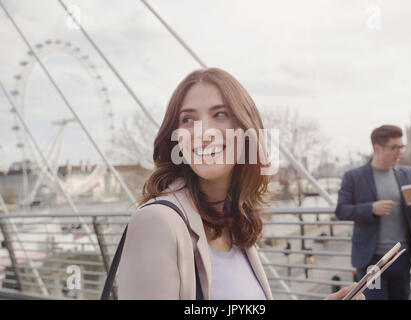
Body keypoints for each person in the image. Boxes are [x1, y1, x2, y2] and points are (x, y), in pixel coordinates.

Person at [117, 67, 364, 300]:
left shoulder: (234, 222)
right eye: (188, 119)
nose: (204, 132)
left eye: (220, 114)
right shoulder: (157, 222)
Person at [335, 124, 411, 300]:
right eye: (395, 147)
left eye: (401, 147)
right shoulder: (354, 176)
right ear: (377, 148)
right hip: (371, 261)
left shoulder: (409, 173)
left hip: (401, 258)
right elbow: (341, 210)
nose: (400, 152)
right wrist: (371, 208)